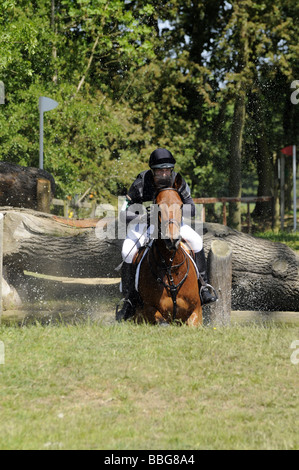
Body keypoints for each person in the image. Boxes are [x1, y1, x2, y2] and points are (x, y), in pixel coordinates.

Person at [117, 148, 217, 321]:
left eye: (167, 170)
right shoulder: (141, 182)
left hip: (173, 223)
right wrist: (144, 215)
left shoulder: (178, 181)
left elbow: (192, 208)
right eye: (160, 171)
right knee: (127, 251)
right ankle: (130, 299)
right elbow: (123, 213)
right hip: (145, 225)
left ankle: (203, 287)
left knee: (197, 240)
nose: (164, 174)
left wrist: (173, 211)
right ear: (152, 170)